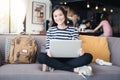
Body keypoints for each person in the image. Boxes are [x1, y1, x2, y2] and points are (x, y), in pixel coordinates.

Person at [37, 5, 93, 76]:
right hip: (54, 58)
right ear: (53, 18)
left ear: (64, 15)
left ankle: (54, 66)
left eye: (60, 15)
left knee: (88, 57)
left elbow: (76, 45)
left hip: (70, 58)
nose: (58, 18)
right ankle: (72, 69)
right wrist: (48, 52)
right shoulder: (51, 30)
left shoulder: (73, 30)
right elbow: (48, 47)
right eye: (55, 16)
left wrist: (80, 52)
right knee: (41, 56)